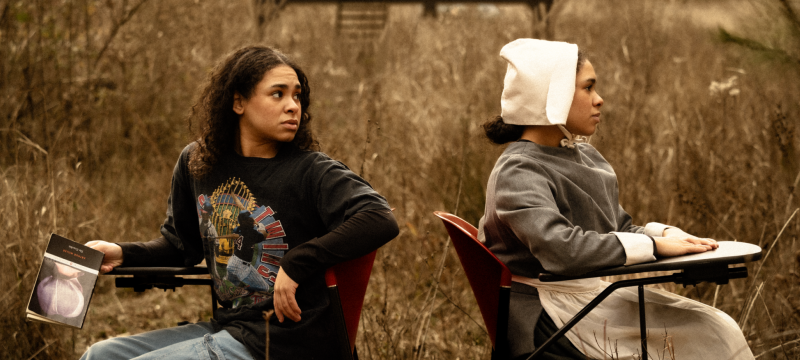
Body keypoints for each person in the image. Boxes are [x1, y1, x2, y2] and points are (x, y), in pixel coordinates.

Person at [81, 45, 399, 360]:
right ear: (238, 102)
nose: (292, 106)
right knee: (100, 355)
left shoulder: (311, 171)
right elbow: (182, 246)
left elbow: (379, 217)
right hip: (233, 329)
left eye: (297, 95)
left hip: (290, 342)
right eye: (278, 94)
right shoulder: (198, 163)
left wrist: (298, 262)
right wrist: (122, 252)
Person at [478, 39, 753, 359]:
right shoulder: (519, 169)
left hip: (586, 298)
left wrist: (666, 236)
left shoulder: (586, 157)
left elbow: (616, 227)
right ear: (551, 97)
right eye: (588, 88)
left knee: (717, 327)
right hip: (548, 318)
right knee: (707, 335)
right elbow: (562, 251)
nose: (599, 100)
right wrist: (652, 248)